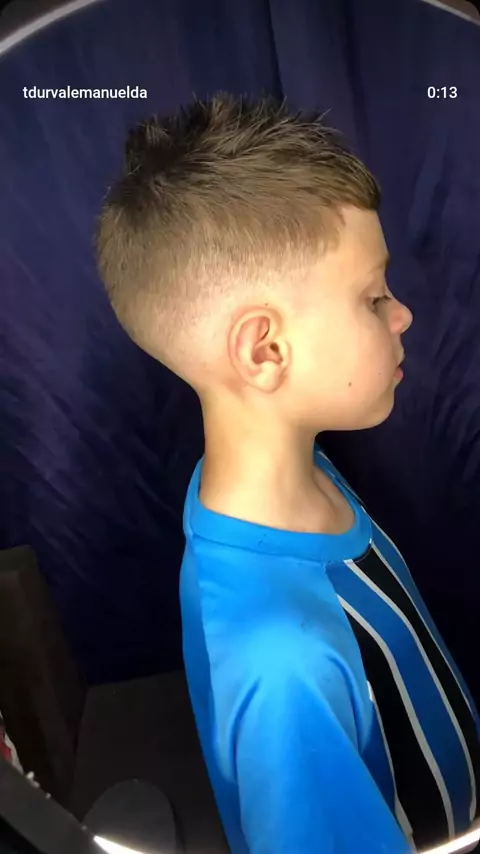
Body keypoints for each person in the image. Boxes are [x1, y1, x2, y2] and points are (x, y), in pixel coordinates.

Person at [94, 93, 480, 854]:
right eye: (373, 296)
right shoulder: (281, 663)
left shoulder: (285, 478)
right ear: (265, 351)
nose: (401, 315)